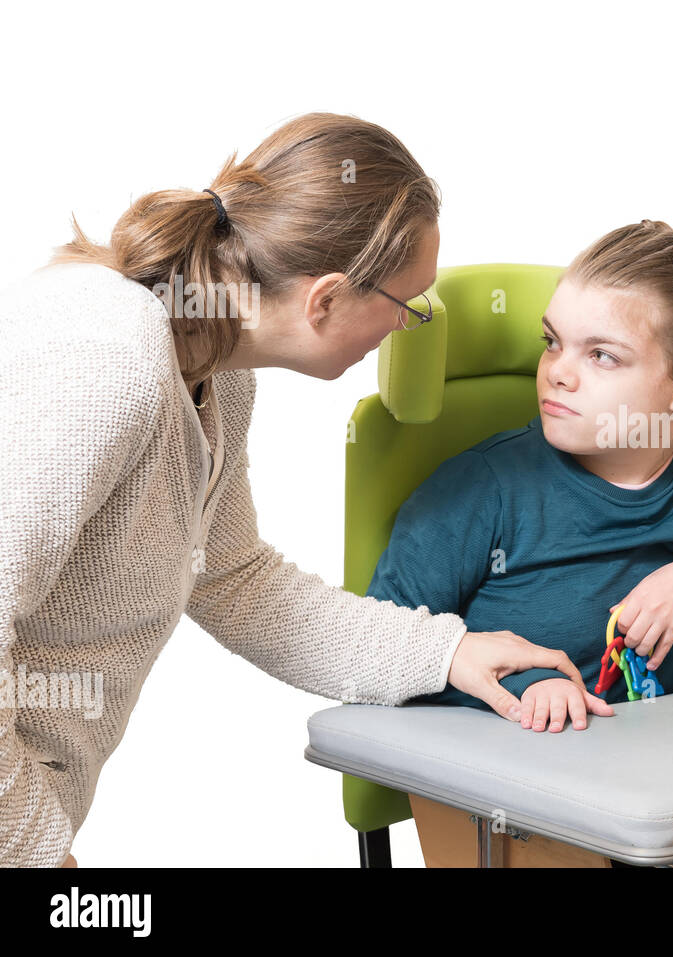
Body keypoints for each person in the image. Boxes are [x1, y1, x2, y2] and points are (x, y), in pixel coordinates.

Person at [0, 113, 586, 868]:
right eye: (409, 306)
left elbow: (236, 580)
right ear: (327, 299)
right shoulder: (107, 362)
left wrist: (446, 652)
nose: (409, 329)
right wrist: (35, 854)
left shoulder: (220, 370)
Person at [366, 220, 673, 733]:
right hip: (505, 779)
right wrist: (526, 686)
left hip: (653, 775)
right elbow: (381, 652)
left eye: (601, 355)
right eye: (551, 342)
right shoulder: (481, 488)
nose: (558, 372)